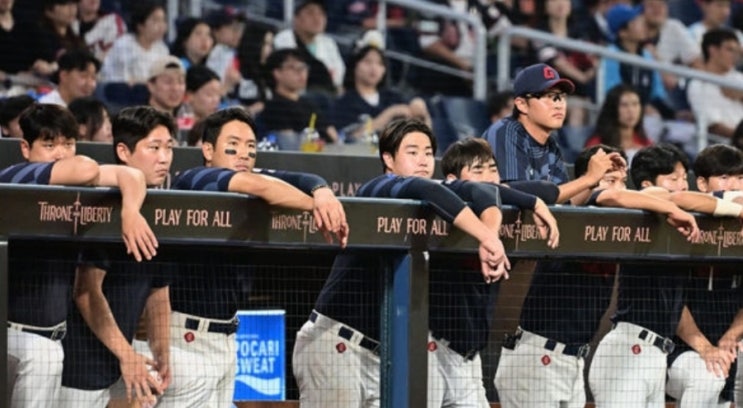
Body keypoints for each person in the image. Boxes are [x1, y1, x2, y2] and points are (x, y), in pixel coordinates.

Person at [293, 118, 509, 408]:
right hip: (337, 343)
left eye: (428, 151)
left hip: (383, 356)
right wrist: (488, 238)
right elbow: (425, 188)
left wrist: (528, 207)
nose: (423, 159)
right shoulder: (379, 187)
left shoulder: (435, 197)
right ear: (388, 158)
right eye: (412, 151)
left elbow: (482, 190)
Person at [494, 143, 699, 407]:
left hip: (573, 359)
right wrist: (671, 209)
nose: (617, 187)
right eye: (609, 179)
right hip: (538, 357)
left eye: (622, 181)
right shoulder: (576, 209)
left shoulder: (615, 227)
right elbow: (609, 197)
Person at [169, 107, 349, 407]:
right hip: (186, 337)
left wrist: (323, 192)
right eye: (234, 145)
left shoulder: (246, 175)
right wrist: (315, 206)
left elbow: (302, 177)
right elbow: (260, 186)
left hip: (225, 337)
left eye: (251, 147)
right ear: (208, 149)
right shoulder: (196, 177)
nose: (245, 153)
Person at [1, 103, 156, 408]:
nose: (60, 152)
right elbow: (85, 169)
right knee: (42, 357)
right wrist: (86, 166)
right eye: (49, 145)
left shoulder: (69, 184)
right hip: (15, 337)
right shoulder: (17, 176)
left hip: (50, 339)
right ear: (25, 148)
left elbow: (133, 176)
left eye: (68, 144)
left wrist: (129, 212)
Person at [58, 106, 175, 408]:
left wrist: (162, 351)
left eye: (168, 148)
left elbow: (158, 291)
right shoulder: (105, 206)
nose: (164, 158)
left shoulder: (163, 207)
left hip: (121, 365)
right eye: (154, 148)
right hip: (79, 369)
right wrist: (128, 356)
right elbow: (86, 293)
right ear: (123, 151)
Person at [588, 143, 718, 407]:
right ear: (647, 184)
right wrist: (672, 206)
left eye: (684, 178)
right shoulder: (640, 214)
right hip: (628, 347)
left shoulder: (679, 228)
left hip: (658, 353)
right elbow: (614, 196)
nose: (682, 185)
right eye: (673, 179)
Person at [433, 137, 559, 407]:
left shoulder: (496, 201)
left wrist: (533, 201)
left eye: (492, 169)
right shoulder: (444, 199)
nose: (489, 177)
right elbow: (479, 192)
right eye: (478, 170)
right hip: (433, 348)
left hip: (468, 355)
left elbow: (547, 189)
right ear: (453, 179)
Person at [666, 143, 743, 408]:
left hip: (728, 349)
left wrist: (732, 336)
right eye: (724, 177)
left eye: (740, 178)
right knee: (709, 376)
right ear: (701, 183)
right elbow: (673, 302)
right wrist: (706, 347)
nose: (733, 185)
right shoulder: (684, 220)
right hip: (679, 350)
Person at [482, 62, 624, 203]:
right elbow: (516, 197)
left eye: (561, 97)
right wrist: (588, 178)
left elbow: (564, 201)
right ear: (522, 104)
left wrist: (595, 178)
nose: (558, 104)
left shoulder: (550, 144)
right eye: (549, 96)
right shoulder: (506, 132)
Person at [333, 44, 431, 142]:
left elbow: (424, 133)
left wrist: (422, 111)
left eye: (380, 63)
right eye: (368, 62)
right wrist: (390, 113)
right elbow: (350, 138)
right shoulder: (345, 102)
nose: (374, 68)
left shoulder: (393, 97)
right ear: (355, 66)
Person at [262, 48, 338, 148]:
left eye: (303, 67)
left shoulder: (310, 104)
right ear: (277, 73)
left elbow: (334, 138)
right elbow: (289, 146)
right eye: (292, 67)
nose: (301, 72)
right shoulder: (275, 107)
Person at [273, 0, 344, 94]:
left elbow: (338, 77)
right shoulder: (284, 39)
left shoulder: (329, 43)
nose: (317, 18)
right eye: (310, 13)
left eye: (321, 14)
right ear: (296, 19)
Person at [687, 28, 743, 139]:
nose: (734, 56)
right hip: (723, 145)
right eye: (730, 50)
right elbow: (713, 126)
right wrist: (740, 138)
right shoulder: (698, 84)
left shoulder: (740, 78)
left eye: (737, 51)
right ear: (713, 50)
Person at [99, 1, 168, 84]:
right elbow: (119, 81)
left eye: (163, 20)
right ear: (140, 25)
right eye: (155, 21)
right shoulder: (124, 45)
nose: (161, 26)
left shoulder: (162, 49)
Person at [585, 84, 652, 164]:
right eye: (624, 105)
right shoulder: (597, 145)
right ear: (613, 109)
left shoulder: (646, 143)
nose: (631, 110)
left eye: (635, 104)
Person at [235, 20, 275, 115]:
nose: (269, 50)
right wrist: (250, 110)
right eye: (265, 44)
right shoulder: (235, 67)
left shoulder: (270, 73)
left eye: (271, 45)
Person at [205, 7, 245, 97]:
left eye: (240, 28)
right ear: (215, 30)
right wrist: (227, 86)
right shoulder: (213, 53)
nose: (238, 33)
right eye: (234, 28)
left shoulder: (232, 52)